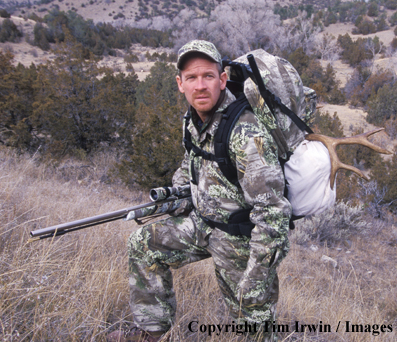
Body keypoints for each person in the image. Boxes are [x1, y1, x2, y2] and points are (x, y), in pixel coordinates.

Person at [108, 40, 292, 342]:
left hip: (240, 240)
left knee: (254, 325)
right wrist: (177, 194)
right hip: (203, 223)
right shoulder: (193, 120)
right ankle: (151, 331)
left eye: (208, 76)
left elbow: (273, 213)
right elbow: (191, 162)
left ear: (222, 80)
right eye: (191, 78)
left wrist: (258, 275)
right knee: (144, 244)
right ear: (180, 84)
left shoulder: (246, 133)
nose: (200, 85)